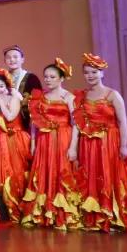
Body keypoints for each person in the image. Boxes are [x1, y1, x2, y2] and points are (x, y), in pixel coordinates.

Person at [74, 53, 127, 235]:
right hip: (89, 143)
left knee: (109, 175)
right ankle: (96, 217)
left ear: (102, 73)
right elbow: (78, 122)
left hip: (109, 141)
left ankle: (114, 217)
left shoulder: (112, 94)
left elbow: (122, 121)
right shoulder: (82, 96)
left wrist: (123, 145)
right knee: (92, 176)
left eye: (94, 72)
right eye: (86, 72)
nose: (90, 76)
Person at [21, 59, 82, 231]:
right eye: (46, 76)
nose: (48, 80)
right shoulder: (40, 97)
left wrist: (73, 147)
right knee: (44, 172)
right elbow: (34, 123)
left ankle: (63, 213)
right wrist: (33, 143)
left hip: (63, 138)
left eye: (52, 77)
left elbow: (76, 124)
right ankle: (44, 212)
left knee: (62, 172)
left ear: (61, 78)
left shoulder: (69, 97)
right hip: (44, 140)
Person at [0, 71, 30, 222]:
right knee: (2, 174)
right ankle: (8, 211)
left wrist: (1, 101)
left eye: (1, 86)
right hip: (0, 141)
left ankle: (22, 210)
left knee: (17, 173)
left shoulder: (14, 98)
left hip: (15, 140)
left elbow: (10, 117)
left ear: (7, 87)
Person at [3, 45, 42, 116]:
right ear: (5, 61)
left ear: (22, 59)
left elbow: (37, 101)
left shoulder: (32, 78)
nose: (12, 60)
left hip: (25, 117)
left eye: (15, 57)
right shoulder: (1, 78)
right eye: (8, 57)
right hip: (4, 116)